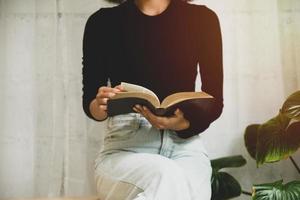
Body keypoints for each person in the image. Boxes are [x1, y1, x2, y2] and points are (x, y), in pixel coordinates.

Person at [81, 0, 223, 199]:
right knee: (165, 175)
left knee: (182, 187)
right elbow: (91, 104)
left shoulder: (203, 19)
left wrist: (184, 122)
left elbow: (214, 100)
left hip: (185, 146)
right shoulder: (103, 22)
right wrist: (101, 103)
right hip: (125, 146)